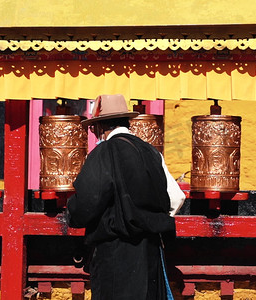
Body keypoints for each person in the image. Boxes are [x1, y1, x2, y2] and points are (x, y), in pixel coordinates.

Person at [67, 94, 186, 300]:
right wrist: (148, 217)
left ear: (99, 127)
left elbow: (88, 203)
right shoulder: (151, 152)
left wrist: (72, 210)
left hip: (116, 254)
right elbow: (176, 198)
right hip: (149, 252)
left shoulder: (104, 152)